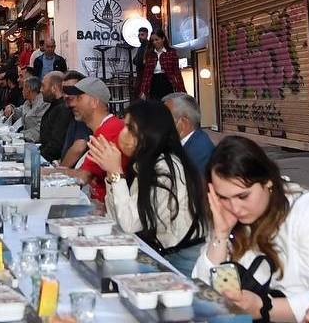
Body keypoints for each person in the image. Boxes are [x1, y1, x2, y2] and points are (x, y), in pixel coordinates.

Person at [194, 136, 309, 323]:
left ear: (268, 182)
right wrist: (220, 235)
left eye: (243, 196)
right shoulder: (229, 217)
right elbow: (201, 288)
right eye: (223, 198)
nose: (235, 208)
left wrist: (264, 307)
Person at [86, 99, 206, 275]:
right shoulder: (146, 164)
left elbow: (129, 224)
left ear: (151, 132)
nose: (123, 134)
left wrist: (115, 172)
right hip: (167, 251)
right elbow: (117, 220)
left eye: (130, 128)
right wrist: (112, 175)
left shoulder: (165, 168)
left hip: (184, 257)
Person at [58, 76, 124, 202]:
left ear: (94, 102)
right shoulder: (104, 128)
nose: (73, 103)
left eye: (79, 98)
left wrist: (44, 173)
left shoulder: (109, 130)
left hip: (107, 210)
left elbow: (83, 176)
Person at [163, 92, 216, 175]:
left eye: (166, 119)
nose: (161, 124)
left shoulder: (200, 150)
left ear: (184, 123)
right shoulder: (183, 142)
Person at [59, 71, 93, 168]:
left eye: (71, 90)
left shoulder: (83, 115)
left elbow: (79, 147)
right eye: (64, 91)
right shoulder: (72, 112)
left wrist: (60, 172)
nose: (66, 95)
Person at [139, 30, 186, 101]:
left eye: (157, 39)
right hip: (153, 82)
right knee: (155, 106)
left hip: (167, 81)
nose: (154, 42)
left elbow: (176, 72)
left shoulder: (171, 52)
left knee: (168, 105)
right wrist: (143, 91)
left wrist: (181, 89)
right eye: (153, 40)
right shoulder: (150, 54)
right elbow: (146, 74)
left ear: (163, 39)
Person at [36, 72, 72, 161]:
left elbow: (56, 144)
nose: (40, 90)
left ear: (54, 88)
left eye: (43, 86)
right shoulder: (55, 106)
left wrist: (36, 157)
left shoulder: (63, 109)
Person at [9, 76, 49, 142]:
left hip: (36, 142)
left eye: (23, 88)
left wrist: (20, 135)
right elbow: (20, 111)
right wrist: (11, 108)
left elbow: (40, 129)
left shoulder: (43, 104)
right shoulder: (27, 102)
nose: (22, 91)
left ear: (29, 89)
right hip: (25, 139)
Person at [131, 27, 151, 92]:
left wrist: (139, 61)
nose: (140, 37)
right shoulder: (141, 47)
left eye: (142, 35)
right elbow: (135, 60)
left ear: (147, 35)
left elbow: (140, 61)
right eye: (139, 35)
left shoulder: (148, 47)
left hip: (145, 75)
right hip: (140, 75)